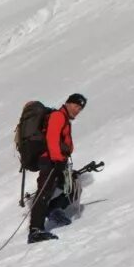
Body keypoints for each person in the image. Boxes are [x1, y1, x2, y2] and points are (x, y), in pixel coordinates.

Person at [28, 93, 87, 243]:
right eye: (76, 106)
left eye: (80, 108)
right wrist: (57, 159)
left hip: (57, 161)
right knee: (43, 193)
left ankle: (53, 209)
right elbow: (52, 139)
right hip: (50, 161)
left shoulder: (64, 119)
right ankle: (35, 231)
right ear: (68, 103)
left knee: (72, 186)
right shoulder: (58, 116)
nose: (77, 110)